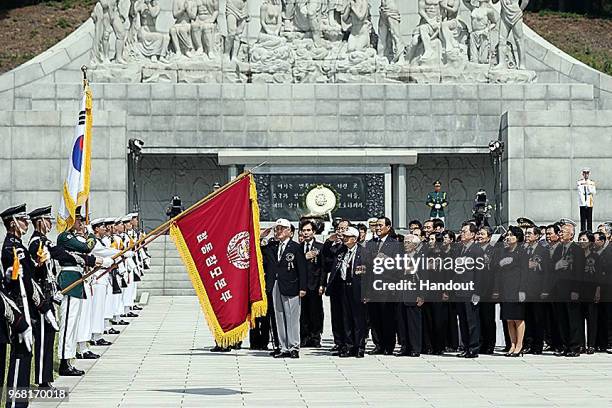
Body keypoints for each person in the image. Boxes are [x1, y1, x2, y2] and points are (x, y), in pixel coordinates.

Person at [56, 207, 107, 375]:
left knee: (73, 323)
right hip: (69, 279)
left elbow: (84, 256)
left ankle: (68, 360)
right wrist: (91, 234)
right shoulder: (65, 236)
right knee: (68, 324)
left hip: (76, 279)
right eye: (78, 219)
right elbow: (86, 248)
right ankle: (64, 362)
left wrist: (97, 261)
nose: (80, 223)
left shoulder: (72, 237)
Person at [1, 204, 38, 405]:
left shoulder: (19, 247)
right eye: (23, 220)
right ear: (13, 223)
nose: (26, 223)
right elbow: (14, 283)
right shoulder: (10, 248)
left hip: (27, 306)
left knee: (26, 356)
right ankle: (14, 402)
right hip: (18, 307)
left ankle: (21, 402)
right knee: (19, 356)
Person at [26, 206, 65, 389]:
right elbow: (56, 255)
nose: (50, 224)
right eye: (47, 220)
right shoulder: (36, 243)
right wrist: (86, 259)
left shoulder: (43, 241)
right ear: (39, 222)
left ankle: (46, 377)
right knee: (42, 337)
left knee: (49, 337)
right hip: (40, 298)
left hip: (49, 295)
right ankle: (42, 379)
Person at [264, 219, 307, 358]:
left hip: (291, 285)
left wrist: (303, 287)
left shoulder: (295, 247)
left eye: (282, 229)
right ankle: (283, 347)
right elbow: (257, 248)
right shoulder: (272, 246)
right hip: (276, 284)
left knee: (292, 317)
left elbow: (302, 269)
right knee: (279, 316)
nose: (279, 231)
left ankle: (294, 346)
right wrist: (261, 236)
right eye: (277, 229)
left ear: (289, 231)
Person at [327, 227, 367, 357]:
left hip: (358, 288)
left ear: (354, 239)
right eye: (343, 236)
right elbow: (327, 253)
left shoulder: (364, 252)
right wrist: (330, 240)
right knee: (346, 318)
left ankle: (359, 346)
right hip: (343, 287)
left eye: (347, 236)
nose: (344, 238)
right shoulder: (341, 250)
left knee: (358, 318)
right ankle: (349, 346)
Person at [365, 217, 399, 355]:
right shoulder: (370, 243)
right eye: (376, 226)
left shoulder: (395, 244)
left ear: (388, 227)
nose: (378, 228)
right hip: (373, 286)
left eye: (380, 225)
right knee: (375, 317)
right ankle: (378, 344)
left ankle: (388, 345)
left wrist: (388, 260)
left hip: (387, 285)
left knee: (387, 317)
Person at [551, 222, 585, 357]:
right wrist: (556, 265)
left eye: (563, 231)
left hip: (572, 290)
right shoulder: (558, 249)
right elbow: (550, 268)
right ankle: (565, 345)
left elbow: (579, 272)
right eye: (560, 231)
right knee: (562, 319)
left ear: (571, 235)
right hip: (559, 290)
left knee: (573, 319)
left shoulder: (577, 250)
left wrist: (576, 290)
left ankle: (575, 346)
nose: (560, 233)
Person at [495, 226, 528, 357]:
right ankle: (512, 344)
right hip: (505, 288)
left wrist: (522, 290)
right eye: (507, 235)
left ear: (518, 237)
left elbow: (525, 273)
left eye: (511, 235)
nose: (508, 237)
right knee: (508, 318)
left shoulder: (522, 252)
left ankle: (519, 345)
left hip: (517, 288)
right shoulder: (504, 251)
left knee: (518, 318)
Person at [321, 219, 350, 354]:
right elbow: (325, 262)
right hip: (335, 285)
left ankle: (347, 342)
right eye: (339, 228)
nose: (340, 231)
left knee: (346, 315)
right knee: (336, 314)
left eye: (344, 229)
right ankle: (338, 342)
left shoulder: (349, 246)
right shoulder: (333, 246)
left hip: (347, 285)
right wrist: (328, 242)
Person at [455, 223, 484, 358]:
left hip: (471, 290)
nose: (462, 233)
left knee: (472, 321)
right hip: (460, 289)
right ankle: (465, 346)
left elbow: (479, 273)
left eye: (465, 231)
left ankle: (473, 348)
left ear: (472, 234)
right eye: (461, 231)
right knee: (463, 320)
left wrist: (477, 292)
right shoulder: (460, 249)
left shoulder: (477, 250)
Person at [396, 234, 424, 357]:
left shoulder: (420, 257)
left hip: (414, 292)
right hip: (401, 292)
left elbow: (425, 278)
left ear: (415, 245)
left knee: (414, 323)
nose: (405, 244)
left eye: (408, 242)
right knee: (402, 322)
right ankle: (404, 346)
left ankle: (415, 348)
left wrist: (421, 295)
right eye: (405, 242)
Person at [299, 221, 324, 348]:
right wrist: (304, 257)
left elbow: (323, 267)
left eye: (308, 230)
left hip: (315, 285)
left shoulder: (320, 246)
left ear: (314, 232)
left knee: (316, 312)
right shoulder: (298, 247)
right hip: (302, 286)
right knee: (302, 312)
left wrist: (322, 284)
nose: (306, 233)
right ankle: (304, 337)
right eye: (304, 230)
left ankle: (315, 337)